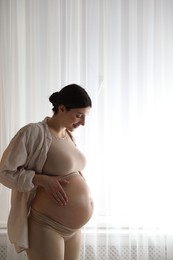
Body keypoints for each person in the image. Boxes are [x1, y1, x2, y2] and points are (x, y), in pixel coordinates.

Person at [0, 84, 94, 260]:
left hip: (73, 230)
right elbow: (4, 172)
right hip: (47, 226)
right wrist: (41, 180)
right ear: (62, 108)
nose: (83, 122)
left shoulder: (68, 136)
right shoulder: (34, 133)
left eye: (85, 116)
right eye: (79, 115)